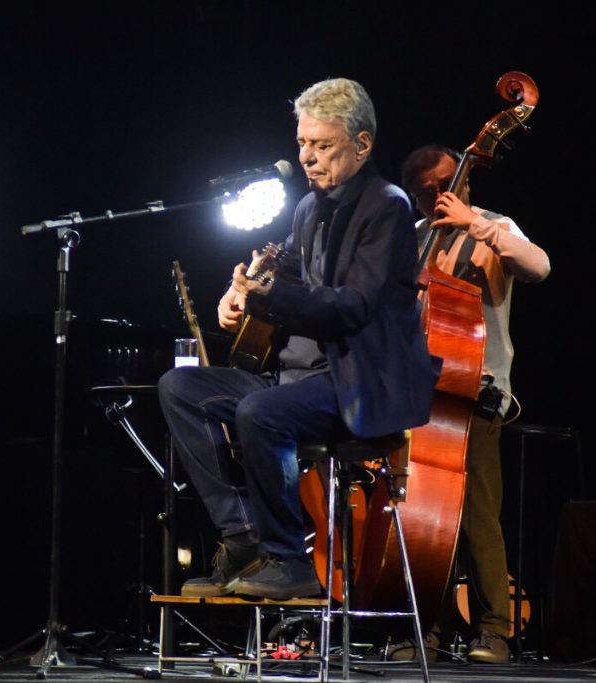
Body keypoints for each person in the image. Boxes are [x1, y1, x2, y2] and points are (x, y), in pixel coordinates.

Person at [157, 78, 440, 601]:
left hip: (357, 381)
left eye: (322, 145)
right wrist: (238, 294)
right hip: (293, 378)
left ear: (361, 144)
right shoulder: (308, 209)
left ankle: (290, 560)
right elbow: (279, 269)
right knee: (180, 387)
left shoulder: (388, 206)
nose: (307, 157)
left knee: (261, 413)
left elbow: (354, 306)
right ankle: (243, 536)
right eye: (303, 143)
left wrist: (270, 297)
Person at [389, 144, 551, 663]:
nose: (440, 195)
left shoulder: (495, 225)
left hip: (475, 389)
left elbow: (539, 267)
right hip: (417, 395)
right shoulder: (412, 239)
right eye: (428, 191)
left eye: (448, 182)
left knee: (478, 513)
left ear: (466, 179)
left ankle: (494, 629)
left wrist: (475, 225)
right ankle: (426, 630)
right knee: (423, 521)